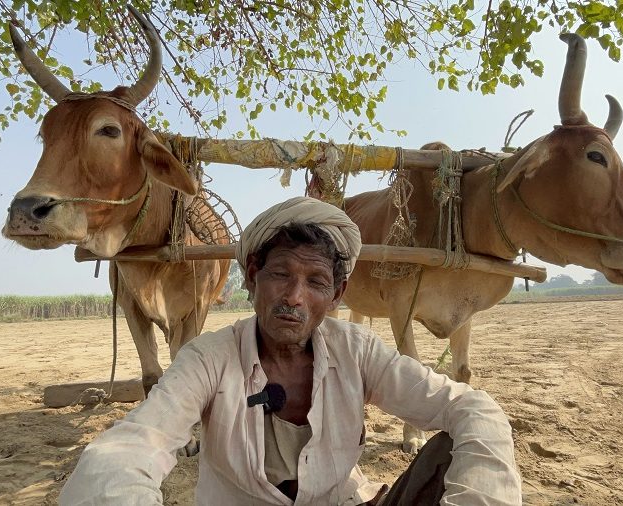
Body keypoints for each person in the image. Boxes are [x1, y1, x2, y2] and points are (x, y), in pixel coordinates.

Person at [59, 196, 522, 505]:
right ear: (252, 277)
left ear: (338, 294)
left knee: (449, 449)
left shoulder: (356, 351)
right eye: (281, 274)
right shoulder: (208, 359)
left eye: (316, 282)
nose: (295, 297)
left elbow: (472, 407)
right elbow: (133, 446)